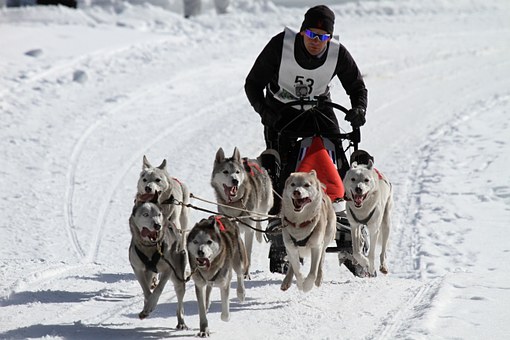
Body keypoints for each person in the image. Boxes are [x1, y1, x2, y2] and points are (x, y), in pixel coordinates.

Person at [245, 4, 368, 217]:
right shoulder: (280, 46)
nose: (315, 41)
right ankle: (278, 216)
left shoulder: (338, 53)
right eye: (311, 34)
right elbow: (252, 84)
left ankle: (349, 210)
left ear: (329, 38)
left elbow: (357, 86)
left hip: (318, 109)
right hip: (281, 110)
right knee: (280, 165)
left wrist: (359, 108)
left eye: (322, 37)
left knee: (338, 153)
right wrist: (264, 112)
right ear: (302, 31)